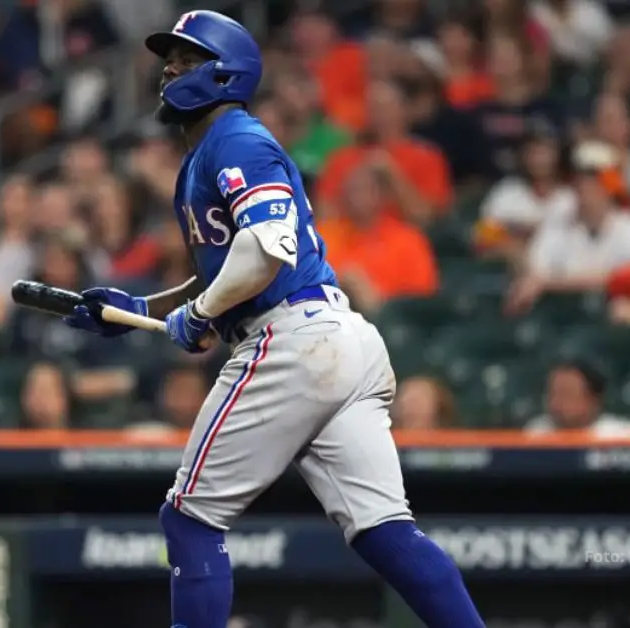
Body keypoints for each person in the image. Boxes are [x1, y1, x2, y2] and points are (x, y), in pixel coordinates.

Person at [62, 11, 483, 628]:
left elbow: (267, 248)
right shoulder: (214, 148)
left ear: (226, 73)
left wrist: (201, 313)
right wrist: (143, 310)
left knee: (189, 518)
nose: (170, 69)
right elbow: (229, 267)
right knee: (384, 531)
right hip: (338, 340)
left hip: (293, 341)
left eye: (187, 58)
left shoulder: (237, 139)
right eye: (169, 58)